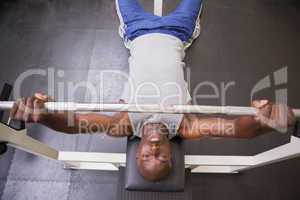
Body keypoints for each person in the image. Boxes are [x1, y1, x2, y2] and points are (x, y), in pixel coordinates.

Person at [9, 0, 296, 182]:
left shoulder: (125, 125)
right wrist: (266, 121)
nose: (155, 150)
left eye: (148, 157)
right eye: (162, 158)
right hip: (178, 33)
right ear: (172, 153)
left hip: (136, 32)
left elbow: (78, 124)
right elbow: (233, 129)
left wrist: (43, 116)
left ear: (137, 154)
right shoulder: (184, 127)